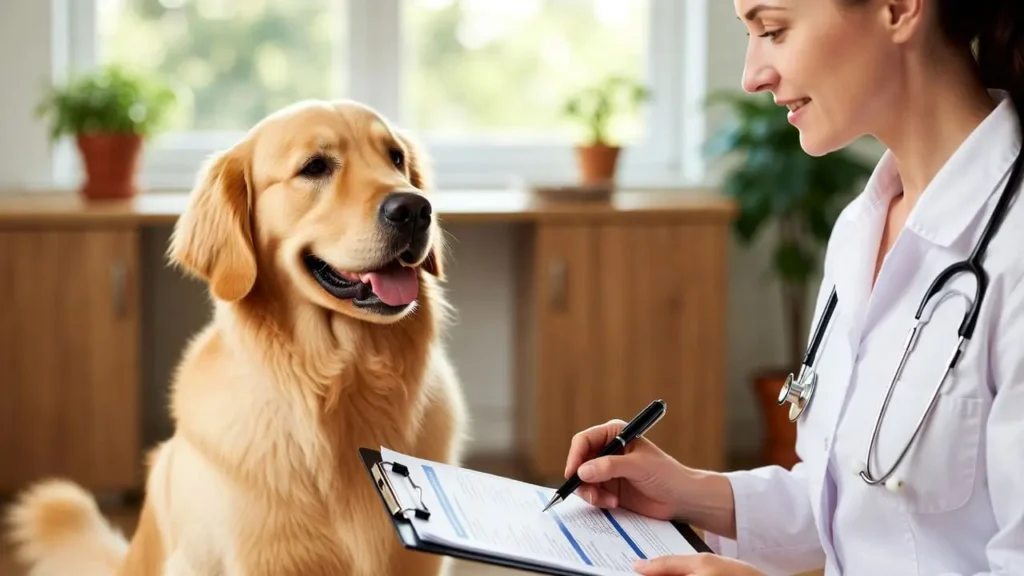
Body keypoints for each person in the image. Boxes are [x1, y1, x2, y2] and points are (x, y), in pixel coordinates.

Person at [561, 0, 1024, 574]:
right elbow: (853, 507)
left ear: (900, 9)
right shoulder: (861, 229)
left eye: (774, 30)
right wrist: (688, 491)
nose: (753, 75)